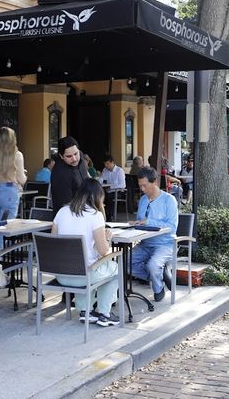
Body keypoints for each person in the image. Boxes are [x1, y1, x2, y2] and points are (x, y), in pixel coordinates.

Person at [51, 179, 120, 326]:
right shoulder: (95, 215)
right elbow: (103, 251)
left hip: (62, 275)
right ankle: (104, 313)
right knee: (114, 268)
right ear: (97, 197)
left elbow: (54, 243)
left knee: (84, 263)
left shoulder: (62, 212)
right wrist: (107, 238)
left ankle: (85, 311)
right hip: (84, 276)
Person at [131, 167, 179, 302]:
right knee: (123, 261)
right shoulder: (143, 200)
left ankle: (158, 289)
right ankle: (158, 274)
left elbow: (172, 226)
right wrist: (135, 224)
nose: (142, 189)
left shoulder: (169, 200)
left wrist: (149, 221)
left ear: (155, 182)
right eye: (140, 186)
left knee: (153, 265)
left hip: (165, 244)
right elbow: (142, 222)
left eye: (145, 186)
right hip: (145, 243)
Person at [0, 127, 26, 222]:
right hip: (9, 190)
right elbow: (22, 180)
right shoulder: (17, 155)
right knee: (7, 226)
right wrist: (24, 173)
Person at [50, 136, 89, 214]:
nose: (74, 159)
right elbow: (66, 205)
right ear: (61, 156)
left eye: (76, 154)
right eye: (69, 156)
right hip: (69, 215)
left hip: (86, 209)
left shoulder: (80, 156)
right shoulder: (60, 174)